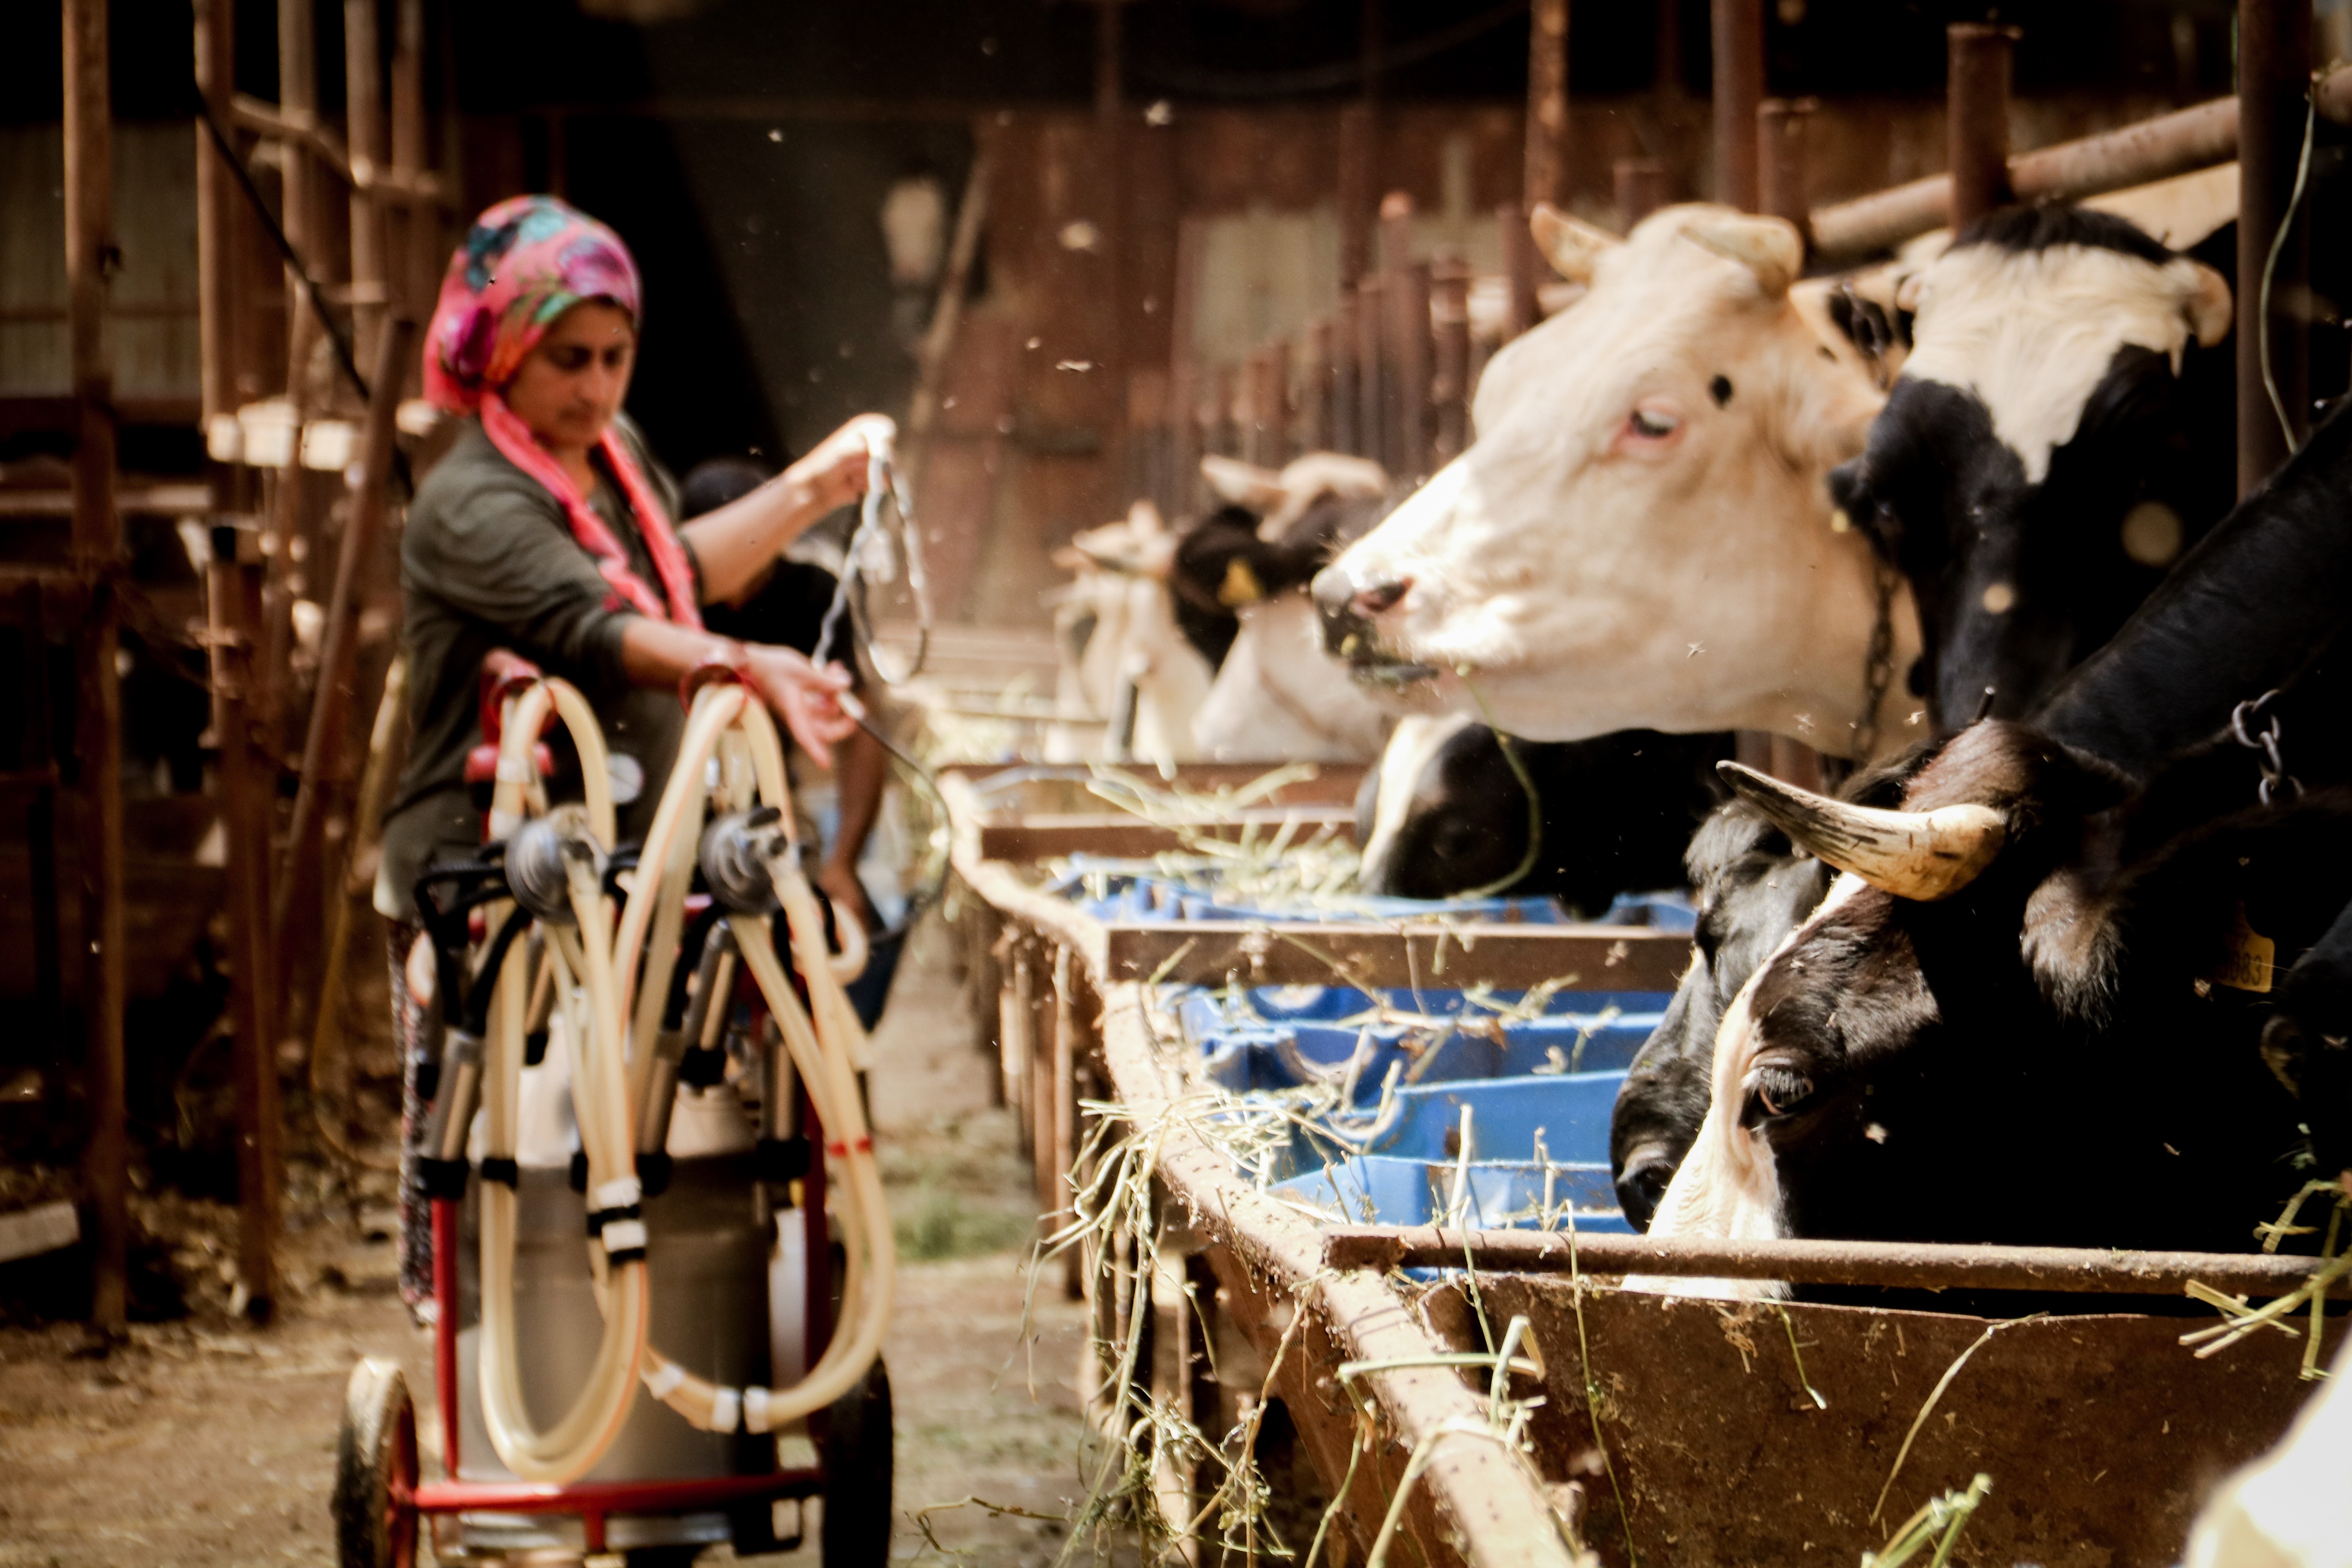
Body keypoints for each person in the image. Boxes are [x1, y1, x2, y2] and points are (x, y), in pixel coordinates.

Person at [373, 194, 892, 1306]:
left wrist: (811, 488)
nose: (598, 384)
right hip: (488, 881)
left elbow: (671, 579)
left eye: (616, 356)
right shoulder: (471, 499)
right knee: (489, 1146)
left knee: (638, 1139)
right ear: (501, 349)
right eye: (569, 358)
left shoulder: (608, 456)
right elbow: (596, 632)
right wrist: (746, 666)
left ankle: (657, 1346)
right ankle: (478, 1366)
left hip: (628, 863)